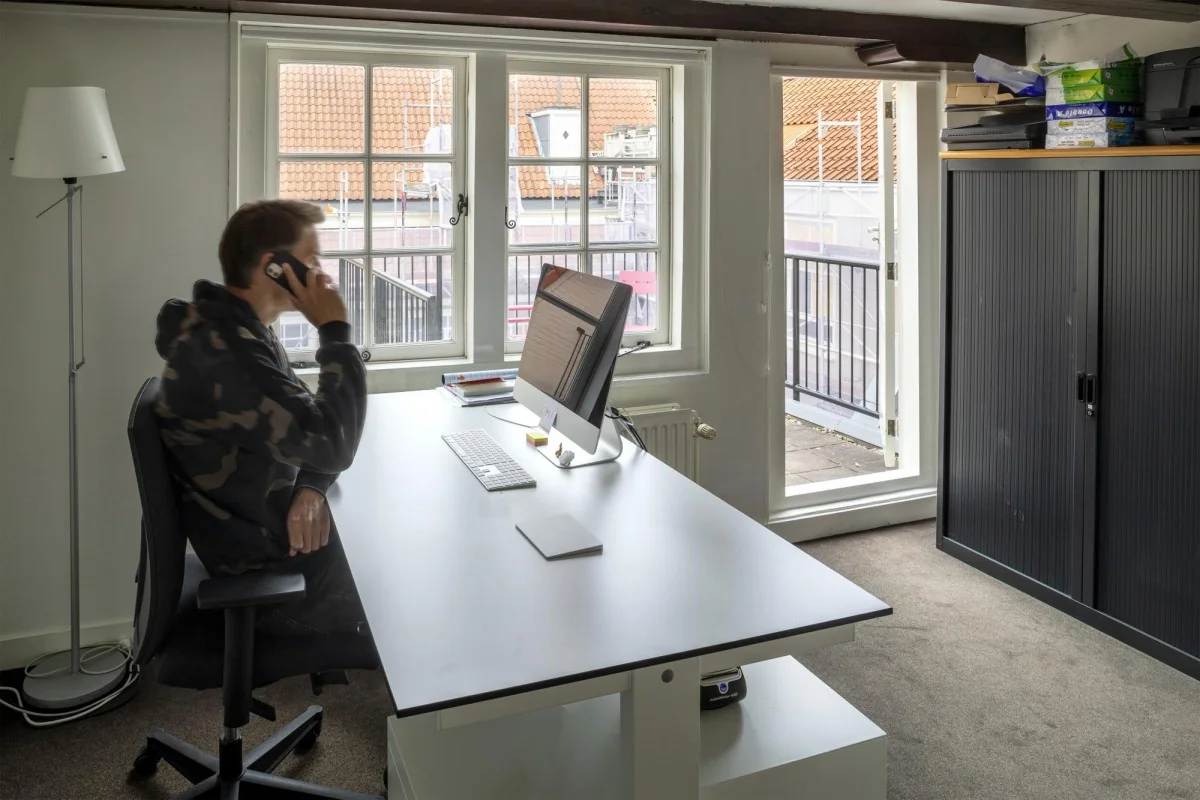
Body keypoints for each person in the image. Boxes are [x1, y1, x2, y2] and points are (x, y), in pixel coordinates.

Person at [154, 199, 370, 638]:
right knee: (419, 572)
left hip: (275, 539)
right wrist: (334, 332)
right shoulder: (225, 355)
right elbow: (332, 442)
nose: (320, 274)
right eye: (310, 260)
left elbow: (310, 427)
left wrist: (311, 487)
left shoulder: (240, 333)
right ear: (276, 267)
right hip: (271, 577)